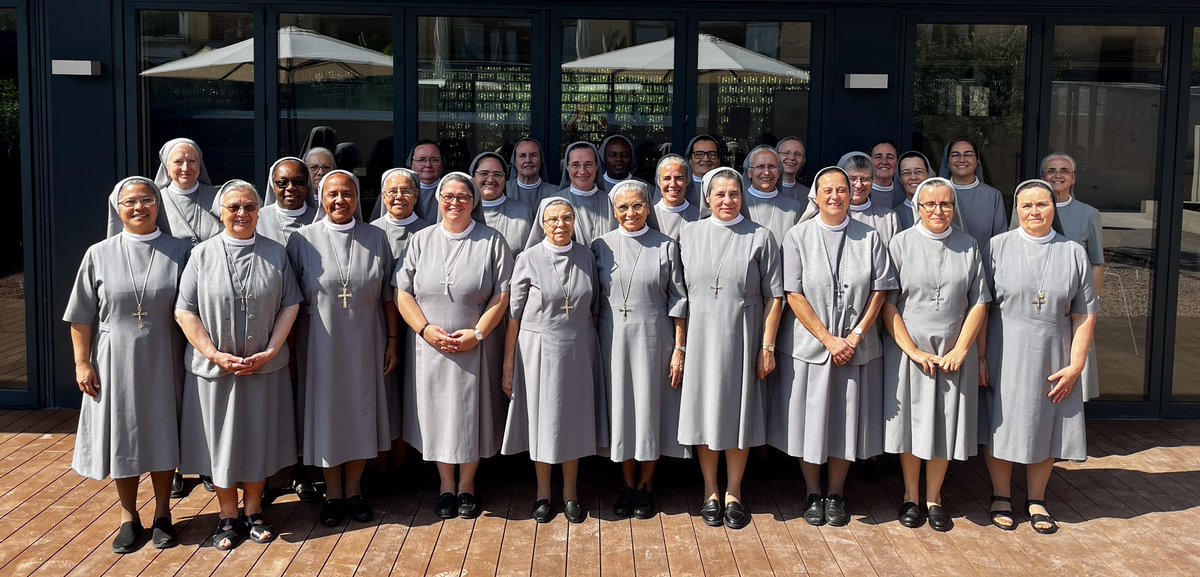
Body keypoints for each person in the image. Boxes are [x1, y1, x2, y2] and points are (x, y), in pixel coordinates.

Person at [766, 166, 897, 528]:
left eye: (842, 190)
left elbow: (880, 291)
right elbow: (792, 292)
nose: (836, 197)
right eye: (829, 191)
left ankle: (836, 493)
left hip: (857, 348)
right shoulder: (797, 236)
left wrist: (854, 336)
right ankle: (812, 492)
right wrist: (827, 338)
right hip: (812, 349)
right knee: (812, 424)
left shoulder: (870, 237)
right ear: (817, 196)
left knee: (844, 423)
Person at [66, 176, 191, 553]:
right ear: (117, 209)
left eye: (147, 199)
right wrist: (81, 363)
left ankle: (163, 513)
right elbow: (80, 315)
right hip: (114, 359)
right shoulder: (98, 253)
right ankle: (127, 516)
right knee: (124, 436)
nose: (139, 207)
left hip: (166, 356)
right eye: (130, 202)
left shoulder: (180, 251)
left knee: (163, 433)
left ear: (158, 204)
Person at [175, 180, 301, 550]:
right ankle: (227, 515)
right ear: (220, 212)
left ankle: (254, 511)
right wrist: (214, 353)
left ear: (259, 211)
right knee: (222, 445)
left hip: (264, 367)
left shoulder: (276, 253)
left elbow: (290, 304)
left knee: (258, 439)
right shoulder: (201, 255)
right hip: (215, 371)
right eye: (234, 207)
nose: (242, 214)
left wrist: (272, 349)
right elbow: (185, 310)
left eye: (249, 206)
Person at [982, 179, 1098, 535]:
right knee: (999, 423)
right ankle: (1001, 495)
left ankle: (1036, 499)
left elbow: (1085, 313)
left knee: (1045, 423)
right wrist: (982, 357)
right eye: (1026, 206)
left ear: (1054, 207)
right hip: (1005, 347)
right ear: (1016, 210)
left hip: (1053, 350)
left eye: (1042, 205)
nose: (1034, 212)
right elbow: (981, 308)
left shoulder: (1073, 252)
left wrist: (1077, 364)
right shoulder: (996, 247)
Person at [395, 172, 513, 519]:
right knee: (439, 414)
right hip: (431, 345)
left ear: (474, 202)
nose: (455, 202)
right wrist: (425, 329)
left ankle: (468, 485)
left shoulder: (492, 240)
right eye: (448, 196)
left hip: (476, 344)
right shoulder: (420, 240)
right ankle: (446, 484)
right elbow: (402, 292)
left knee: (470, 414)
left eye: (463, 196)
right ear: (439, 200)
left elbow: (503, 294)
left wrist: (477, 333)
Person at [287, 170, 399, 527]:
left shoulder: (376, 237)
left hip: (367, 340)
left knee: (360, 414)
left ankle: (354, 491)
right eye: (333, 194)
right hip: (319, 344)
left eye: (347, 193)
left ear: (358, 197)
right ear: (321, 198)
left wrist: (393, 341)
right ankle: (332, 494)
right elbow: (288, 300)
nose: (340, 201)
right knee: (328, 418)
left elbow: (388, 297)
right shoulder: (301, 239)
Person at [880, 178, 990, 532]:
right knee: (911, 425)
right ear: (918, 207)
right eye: (930, 205)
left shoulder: (968, 246)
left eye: (945, 204)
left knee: (944, 422)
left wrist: (962, 349)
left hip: (954, 352)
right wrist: (910, 349)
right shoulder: (899, 244)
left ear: (954, 208)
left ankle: (934, 497)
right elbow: (887, 303)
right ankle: (911, 496)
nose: (938, 211)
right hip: (909, 349)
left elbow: (979, 303)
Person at [677, 167, 783, 530]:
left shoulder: (761, 236)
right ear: (706, 198)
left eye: (734, 194)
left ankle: (734, 490)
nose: (727, 201)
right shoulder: (687, 234)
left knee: (738, 414)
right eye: (719, 195)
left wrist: (766, 345)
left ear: (743, 197)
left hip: (743, 334)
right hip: (701, 335)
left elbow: (775, 297)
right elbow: (679, 296)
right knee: (707, 412)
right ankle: (710, 490)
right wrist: (680, 346)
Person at [502, 199, 606, 524]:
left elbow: (596, 306)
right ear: (542, 223)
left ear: (574, 222)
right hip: (538, 350)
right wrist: (508, 365)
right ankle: (543, 493)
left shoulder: (587, 255)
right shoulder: (528, 258)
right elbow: (514, 316)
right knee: (544, 423)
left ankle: (571, 493)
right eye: (552, 219)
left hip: (578, 347)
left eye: (566, 218)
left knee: (572, 421)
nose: (559, 225)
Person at [592, 180, 689, 520]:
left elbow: (679, 301)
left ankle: (647, 484)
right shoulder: (600, 246)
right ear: (614, 210)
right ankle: (626, 482)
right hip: (612, 339)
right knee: (622, 410)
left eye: (637, 206)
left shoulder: (666, 245)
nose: (630, 213)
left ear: (648, 207)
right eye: (623, 207)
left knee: (649, 410)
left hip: (655, 337)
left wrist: (679, 349)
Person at [1009, 153, 1105, 401]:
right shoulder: (1025, 209)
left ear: (1073, 178)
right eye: (1051, 170)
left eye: (1064, 170)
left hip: (1070, 305)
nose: (1057, 175)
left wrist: (1087, 303)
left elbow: (1096, 263)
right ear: (1043, 177)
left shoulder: (1089, 213)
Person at [369, 167, 431, 479]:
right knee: (387, 393)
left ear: (417, 196)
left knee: (416, 391)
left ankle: (412, 461)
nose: (399, 197)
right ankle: (383, 463)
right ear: (382, 196)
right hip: (382, 328)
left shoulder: (430, 229)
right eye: (392, 191)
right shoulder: (371, 232)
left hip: (423, 325)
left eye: (406, 191)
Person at [108, 138, 222, 246]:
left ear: (200, 165)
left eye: (192, 161)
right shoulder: (152, 201)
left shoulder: (219, 196)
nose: (186, 168)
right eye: (178, 162)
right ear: (166, 167)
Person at [524, 141, 616, 248]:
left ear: (597, 166)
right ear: (567, 167)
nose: (582, 171)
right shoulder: (552, 204)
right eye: (575, 165)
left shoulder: (611, 202)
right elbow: (537, 251)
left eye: (588, 164)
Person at [939, 138, 1007, 251]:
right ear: (948, 161)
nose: (962, 159)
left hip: (983, 266)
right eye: (955, 155)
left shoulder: (993, 196)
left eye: (968, 155)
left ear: (977, 161)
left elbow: (1000, 241)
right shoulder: (938, 194)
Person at [472, 151, 535, 256]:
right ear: (473, 177)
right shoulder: (462, 210)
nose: (490, 179)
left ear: (505, 179)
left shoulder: (523, 212)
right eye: (484, 173)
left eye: (497, 174)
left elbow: (531, 257)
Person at [741, 144, 803, 245]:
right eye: (760, 167)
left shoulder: (792, 206)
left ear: (779, 172)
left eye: (772, 167)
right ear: (749, 173)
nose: (766, 172)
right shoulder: (738, 203)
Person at [841, 152, 900, 246]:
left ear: (873, 181)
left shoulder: (889, 218)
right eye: (852, 178)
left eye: (865, 179)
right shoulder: (830, 215)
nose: (859, 185)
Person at [258, 157, 317, 245]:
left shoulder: (318, 219)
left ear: (307, 185)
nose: (290, 188)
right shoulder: (258, 219)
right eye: (282, 183)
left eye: (299, 182)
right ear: (273, 186)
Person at [651, 154, 700, 240]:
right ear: (658, 182)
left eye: (679, 178)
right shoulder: (649, 216)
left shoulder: (699, 216)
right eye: (667, 178)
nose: (673, 184)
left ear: (687, 181)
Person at [506, 137, 559, 207]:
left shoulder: (555, 192)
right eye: (522, 155)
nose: (528, 160)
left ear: (541, 160)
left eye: (533, 155)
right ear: (514, 161)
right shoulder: (504, 189)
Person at [408, 140, 445, 220]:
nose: (428, 165)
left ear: (442, 163)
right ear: (411, 164)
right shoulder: (398, 191)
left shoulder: (451, 190)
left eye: (434, 160)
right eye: (421, 160)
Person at [895, 151, 933, 231]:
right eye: (906, 173)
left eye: (918, 172)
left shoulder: (940, 211)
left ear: (928, 175)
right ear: (900, 179)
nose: (913, 177)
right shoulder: (894, 215)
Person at [870, 140, 903, 209]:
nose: (884, 162)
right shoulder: (860, 194)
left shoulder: (904, 195)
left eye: (890, 157)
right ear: (869, 161)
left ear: (897, 163)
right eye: (878, 157)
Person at [776, 137, 809, 204]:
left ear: (803, 160)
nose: (792, 158)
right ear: (775, 157)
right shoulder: (765, 189)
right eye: (786, 153)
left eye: (797, 154)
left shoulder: (808, 194)